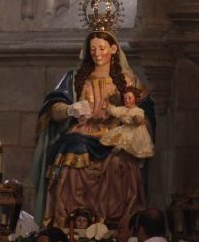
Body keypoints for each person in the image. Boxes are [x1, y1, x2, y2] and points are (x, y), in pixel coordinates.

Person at [31, 21, 154, 228]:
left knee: (120, 161)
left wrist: (135, 122)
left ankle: (115, 223)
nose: (97, 53)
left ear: (114, 49)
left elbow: (146, 113)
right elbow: (53, 108)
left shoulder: (128, 80)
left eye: (102, 48)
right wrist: (71, 110)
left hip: (116, 135)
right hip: (83, 132)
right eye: (93, 49)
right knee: (72, 152)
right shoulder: (75, 78)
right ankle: (68, 220)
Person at [100, 87, 155, 159]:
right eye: (125, 98)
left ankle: (121, 148)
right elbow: (114, 111)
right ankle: (119, 147)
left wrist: (137, 118)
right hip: (126, 128)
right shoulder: (122, 109)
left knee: (130, 138)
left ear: (135, 99)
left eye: (129, 98)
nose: (127, 100)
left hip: (136, 130)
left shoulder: (138, 110)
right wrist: (108, 106)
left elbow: (140, 117)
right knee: (122, 136)